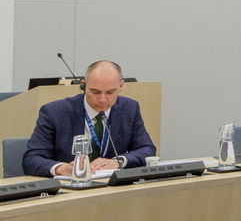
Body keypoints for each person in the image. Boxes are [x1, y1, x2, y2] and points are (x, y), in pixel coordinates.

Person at [23, 60, 156, 177]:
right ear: (84, 85)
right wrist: (62, 169)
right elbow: (31, 159)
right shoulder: (54, 112)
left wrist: (117, 161)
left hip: (111, 187)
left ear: (121, 86)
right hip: (68, 189)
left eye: (110, 92)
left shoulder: (130, 108)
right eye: (95, 92)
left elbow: (147, 149)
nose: (102, 100)